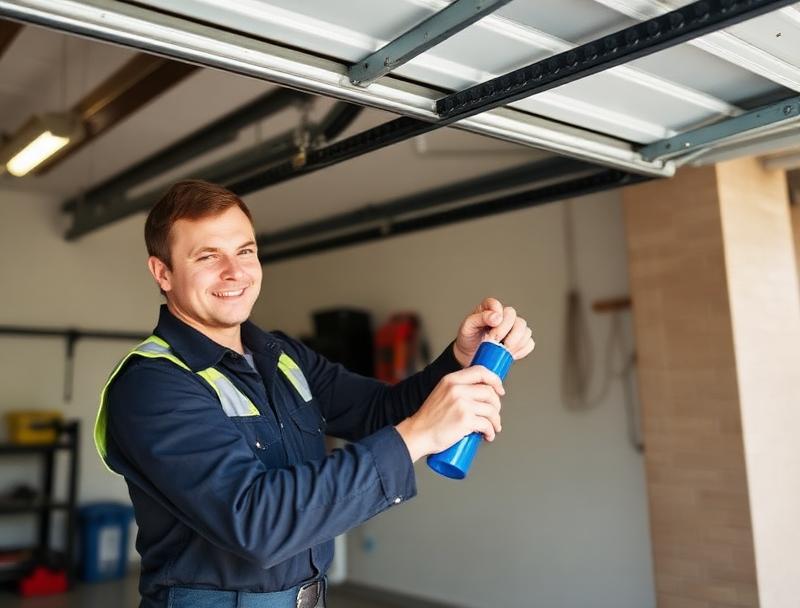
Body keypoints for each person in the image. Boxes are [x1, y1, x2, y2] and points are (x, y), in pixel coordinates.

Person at [94, 180, 535, 608]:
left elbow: (379, 411)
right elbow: (255, 521)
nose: (235, 271)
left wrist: (460, 358)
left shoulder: (283, 356)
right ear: (163, 272)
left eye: (245, 251)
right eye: (208, 256)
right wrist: (418, 436)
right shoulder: (153, 384)